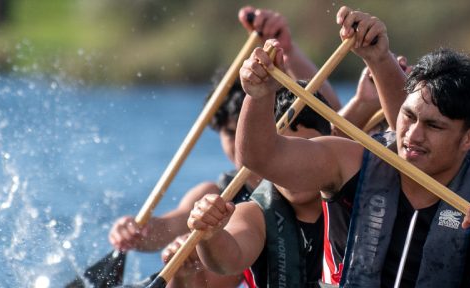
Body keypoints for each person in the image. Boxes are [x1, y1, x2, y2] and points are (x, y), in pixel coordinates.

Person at [232, 6, 470, 287]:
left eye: (434, 126)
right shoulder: (348, 162)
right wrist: (258, 95)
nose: (413, 135)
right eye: (408, 116)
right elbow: (260, 157)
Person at [107, 6, 343, 287]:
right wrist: (139, 233)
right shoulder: (224, 198)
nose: (237, 143)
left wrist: (289, 51)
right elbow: (169, 228)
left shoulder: (338, 171)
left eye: (242, 130)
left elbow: (333, 116)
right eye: (229, 133)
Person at [185, 80, 333, 288]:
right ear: (263, 157)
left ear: (333, 143)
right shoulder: (253, 214)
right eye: (281, 152)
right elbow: (228, 260)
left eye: (306, 150)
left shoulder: (357, 191)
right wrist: (210, 236)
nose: (294, 167)